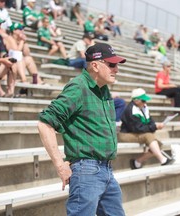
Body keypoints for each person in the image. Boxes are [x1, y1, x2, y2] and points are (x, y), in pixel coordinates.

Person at [38, 43, 126, 216]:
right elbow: (44, 124)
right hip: (87, 171)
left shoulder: (103, 90)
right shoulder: (78, 87)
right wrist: (60, 165)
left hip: (106, 169)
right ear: (95, 65)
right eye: (112, 65)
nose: (116, 70)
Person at [118, 88, 172, 169]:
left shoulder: (144, 107)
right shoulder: (130, 110)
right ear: (136, 100)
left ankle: (137, 162)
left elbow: (150, 121)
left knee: (158, 145)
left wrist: (155, 125)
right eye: (143, 100)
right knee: (149, 136)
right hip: (125, 134)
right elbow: (138, 128)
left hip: (136, 132)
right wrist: (154, 127)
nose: (145, 102)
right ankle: (163, 160)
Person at [0, 14, 17, 97]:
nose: (0, 25)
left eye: (1, 23)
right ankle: (1, 92)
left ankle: (11, 92)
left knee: (12, 62)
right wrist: (3, 60)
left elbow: (2, 52)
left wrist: (6, 58)